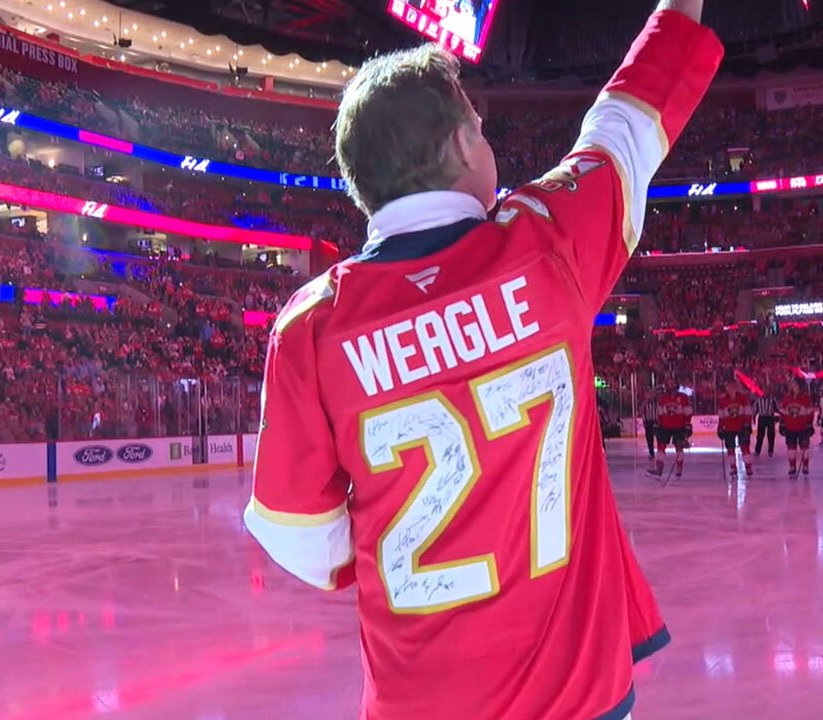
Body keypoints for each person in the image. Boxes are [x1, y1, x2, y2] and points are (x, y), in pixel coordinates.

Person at [243, 3, 723, 718]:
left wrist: (391, 545)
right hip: (575, 697)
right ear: (465, 143)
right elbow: (629, 117)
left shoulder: (312, 326)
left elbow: (297, 534)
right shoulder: (544, 240)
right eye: (481, 121)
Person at [650, 379, 694, 478]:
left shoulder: (683, 397)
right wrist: (658, 423)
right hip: (665, 426)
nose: (671, 386)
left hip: (679, 426)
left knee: (679, 447)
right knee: (661, 447)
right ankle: (659, 468)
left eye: (673, 384)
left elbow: (688, 412)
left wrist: (687, 424)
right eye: (669, 384)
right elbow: (660, 412)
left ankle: (679, 468)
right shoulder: (663, 398)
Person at [717, 379, 754, 477]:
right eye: (728, 387)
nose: (730, 389)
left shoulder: (743, 398)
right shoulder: (723, 400)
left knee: (745, 447)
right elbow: (721, 415)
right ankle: (733, 467)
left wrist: (747, 424)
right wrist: (720, 427)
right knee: (730, 448)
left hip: (742, 427)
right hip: (729, 428)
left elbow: (748, 412)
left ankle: (748, 466)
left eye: (732, 386)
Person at [779, 378, 816, 477]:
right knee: (791, 448)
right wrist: (782, 423)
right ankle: (792, 467)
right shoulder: (787, 398)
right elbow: (782, 411)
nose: (792, 386)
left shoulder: (805, 398)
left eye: (794, 384)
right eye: (791, 384)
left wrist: (809, 423)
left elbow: (810, 411)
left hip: (803, 427)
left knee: (804, 447)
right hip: (790, 427)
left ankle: (805, 466)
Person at [753, 386, 778, 457]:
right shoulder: (758, 400)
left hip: (770, 418)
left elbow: (777, 408)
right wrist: (754, 418)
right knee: (760, 436)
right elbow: (755, 409)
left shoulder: (772, 399)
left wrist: (780, 416)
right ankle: (757, 451)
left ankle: (770, 451)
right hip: (762, 418)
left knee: (771, 435)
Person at [641, 389, 660, 460]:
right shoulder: (645, 403)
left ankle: (660, 452)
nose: (651, 396)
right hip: (648, 422)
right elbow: (642, 411)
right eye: (650, 394)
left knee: (659, 438)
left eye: (652, 394)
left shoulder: (657, 403)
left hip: (656, 421)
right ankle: (651, 453)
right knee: (649, 438)